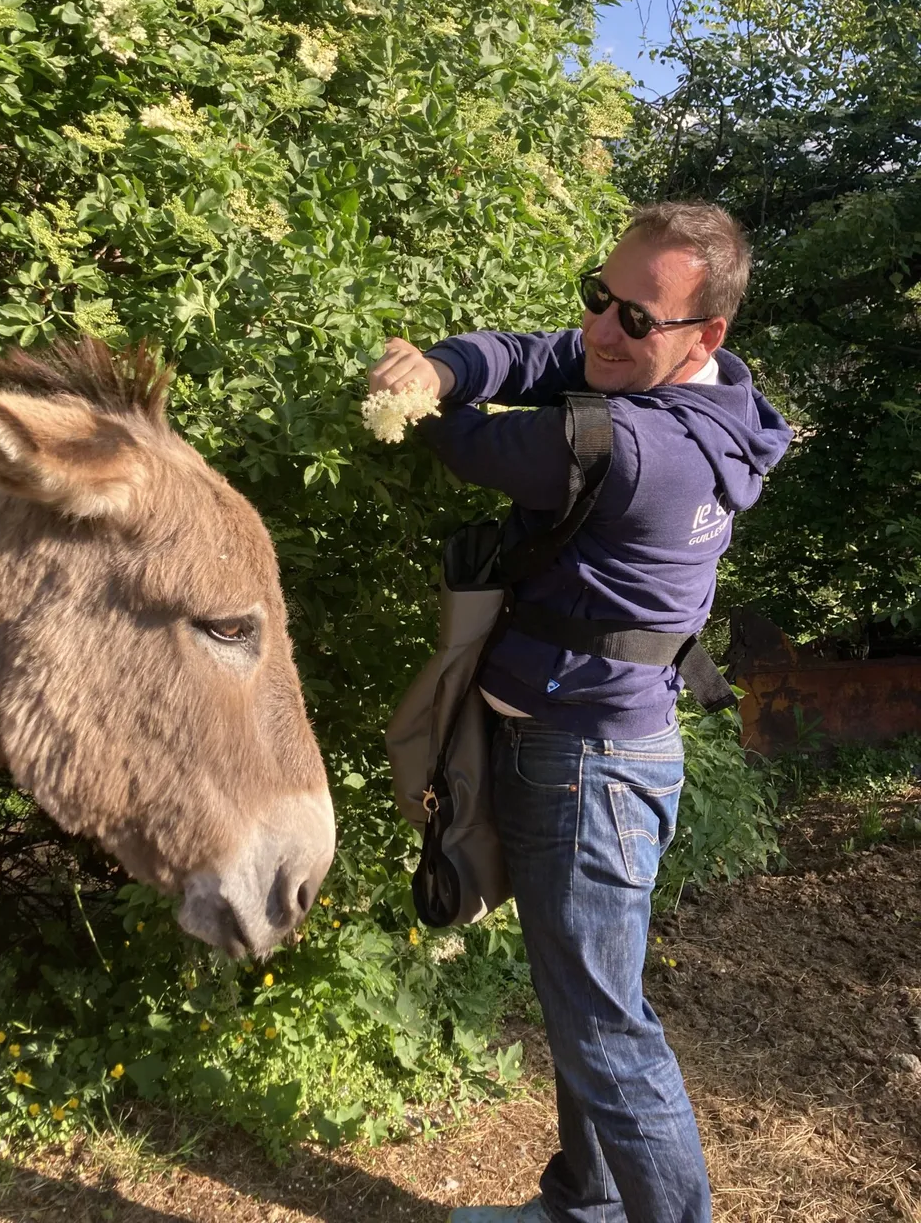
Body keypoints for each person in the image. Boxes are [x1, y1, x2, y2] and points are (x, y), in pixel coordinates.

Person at [368, 202, 791, 1223]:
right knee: (584, 1006)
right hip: (597, 750)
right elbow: (533, 350)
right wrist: (455, 361)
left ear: (706, 334)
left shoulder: (629, 450)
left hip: (582, 769)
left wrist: (421, 380)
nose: (603, 328)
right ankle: (583, 1206)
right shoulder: (710, 398)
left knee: (607, 1031)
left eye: (635, 317)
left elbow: (473, 443)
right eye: (599, 296)